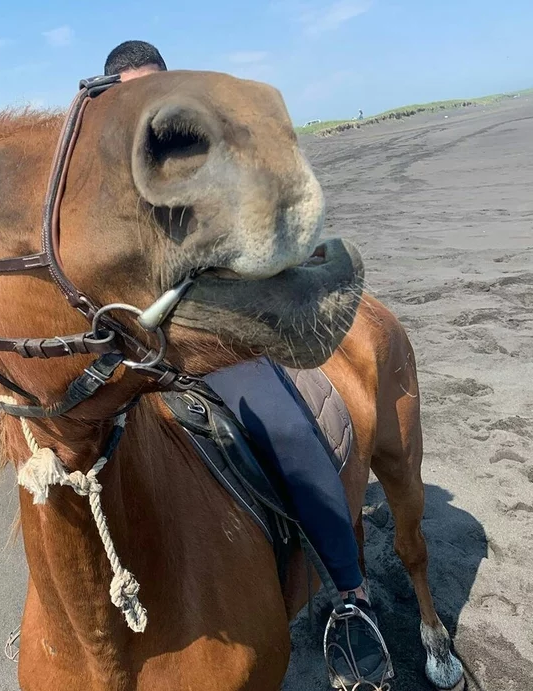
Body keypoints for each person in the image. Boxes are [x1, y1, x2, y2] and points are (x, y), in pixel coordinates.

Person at [103, 41, 390, 688]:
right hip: (132, 347)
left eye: (156, 90)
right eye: (127, 95)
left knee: (288, 430)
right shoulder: (100, 179)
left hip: (209, 335)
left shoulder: (202, 154)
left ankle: (350, 594)